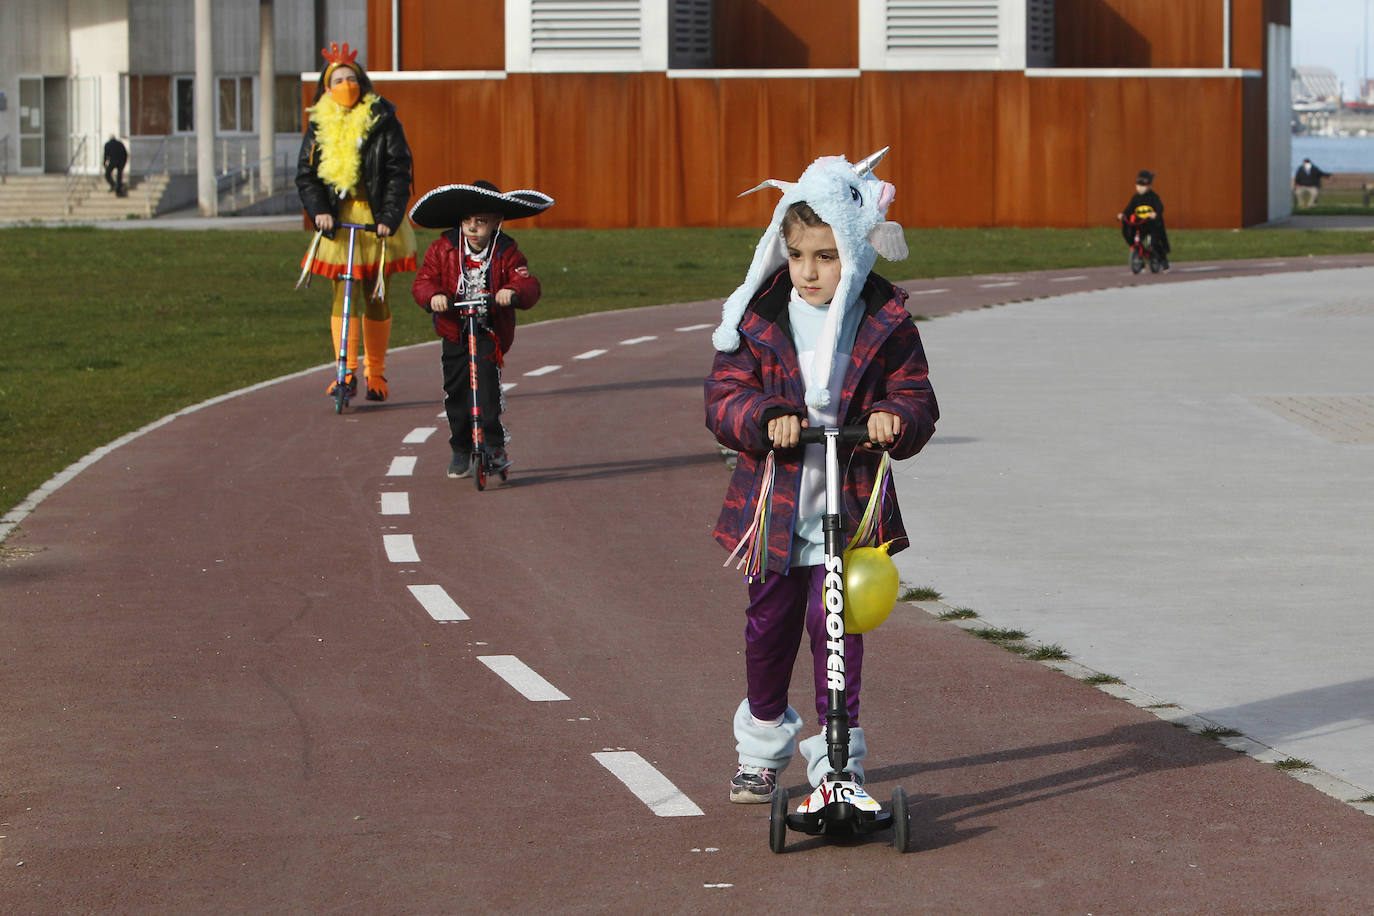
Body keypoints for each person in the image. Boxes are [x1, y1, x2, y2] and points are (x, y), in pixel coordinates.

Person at [704, 150, 938, 804]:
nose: (810, 271)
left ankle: (840, 758)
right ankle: (762, 745)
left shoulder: (884, 318)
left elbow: (917, 394)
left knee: (838, 623)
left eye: (827, 257)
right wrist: (764, 415)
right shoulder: (760, 315)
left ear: (855, 255)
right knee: (768, 629)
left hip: (851, 501)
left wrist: (895, 416)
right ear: (784, 248)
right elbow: (722, 396)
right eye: (800, 254)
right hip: (776, 504)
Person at [295, 41, 417, 402]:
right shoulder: (319, 125)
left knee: (376, 293)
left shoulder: (383, 120)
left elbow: (398, 171)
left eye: (351, 78)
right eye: (338, 80)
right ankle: (343, 371)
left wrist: (390, 217)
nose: (346, 85)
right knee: (341, 293)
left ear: (362, 83)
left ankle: (375, 373)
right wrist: (319, 210)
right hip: (339, 218)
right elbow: (307, 175)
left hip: (375, 218)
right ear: (326, 88)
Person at [409, 180, 553, 479]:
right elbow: (423, 281)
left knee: (486, 388)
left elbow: (527, 282)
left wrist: (511, 291)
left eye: (481, 222)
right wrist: (434, 295)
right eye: (467, 221)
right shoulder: (443, 247)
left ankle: (494, 445)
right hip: (455, 329)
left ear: (496, 222)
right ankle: (461, 448)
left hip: (488, 330)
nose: (473, 228)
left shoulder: (506, 251)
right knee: (456, 391)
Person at [1117, 168, 1170, 270]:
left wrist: (1155, 214)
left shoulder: (1153, 197)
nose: (1140, 188)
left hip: (1153, 225)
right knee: (1130, 235)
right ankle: (1139, 256)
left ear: (1150, 186)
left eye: (1143, 185)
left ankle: (1163, 260)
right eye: (1138, 185)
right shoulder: (1136, 198)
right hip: (1141, 224)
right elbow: (1129, 209)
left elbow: (1160, 207)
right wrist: (1123, 215)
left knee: (1155, 242)